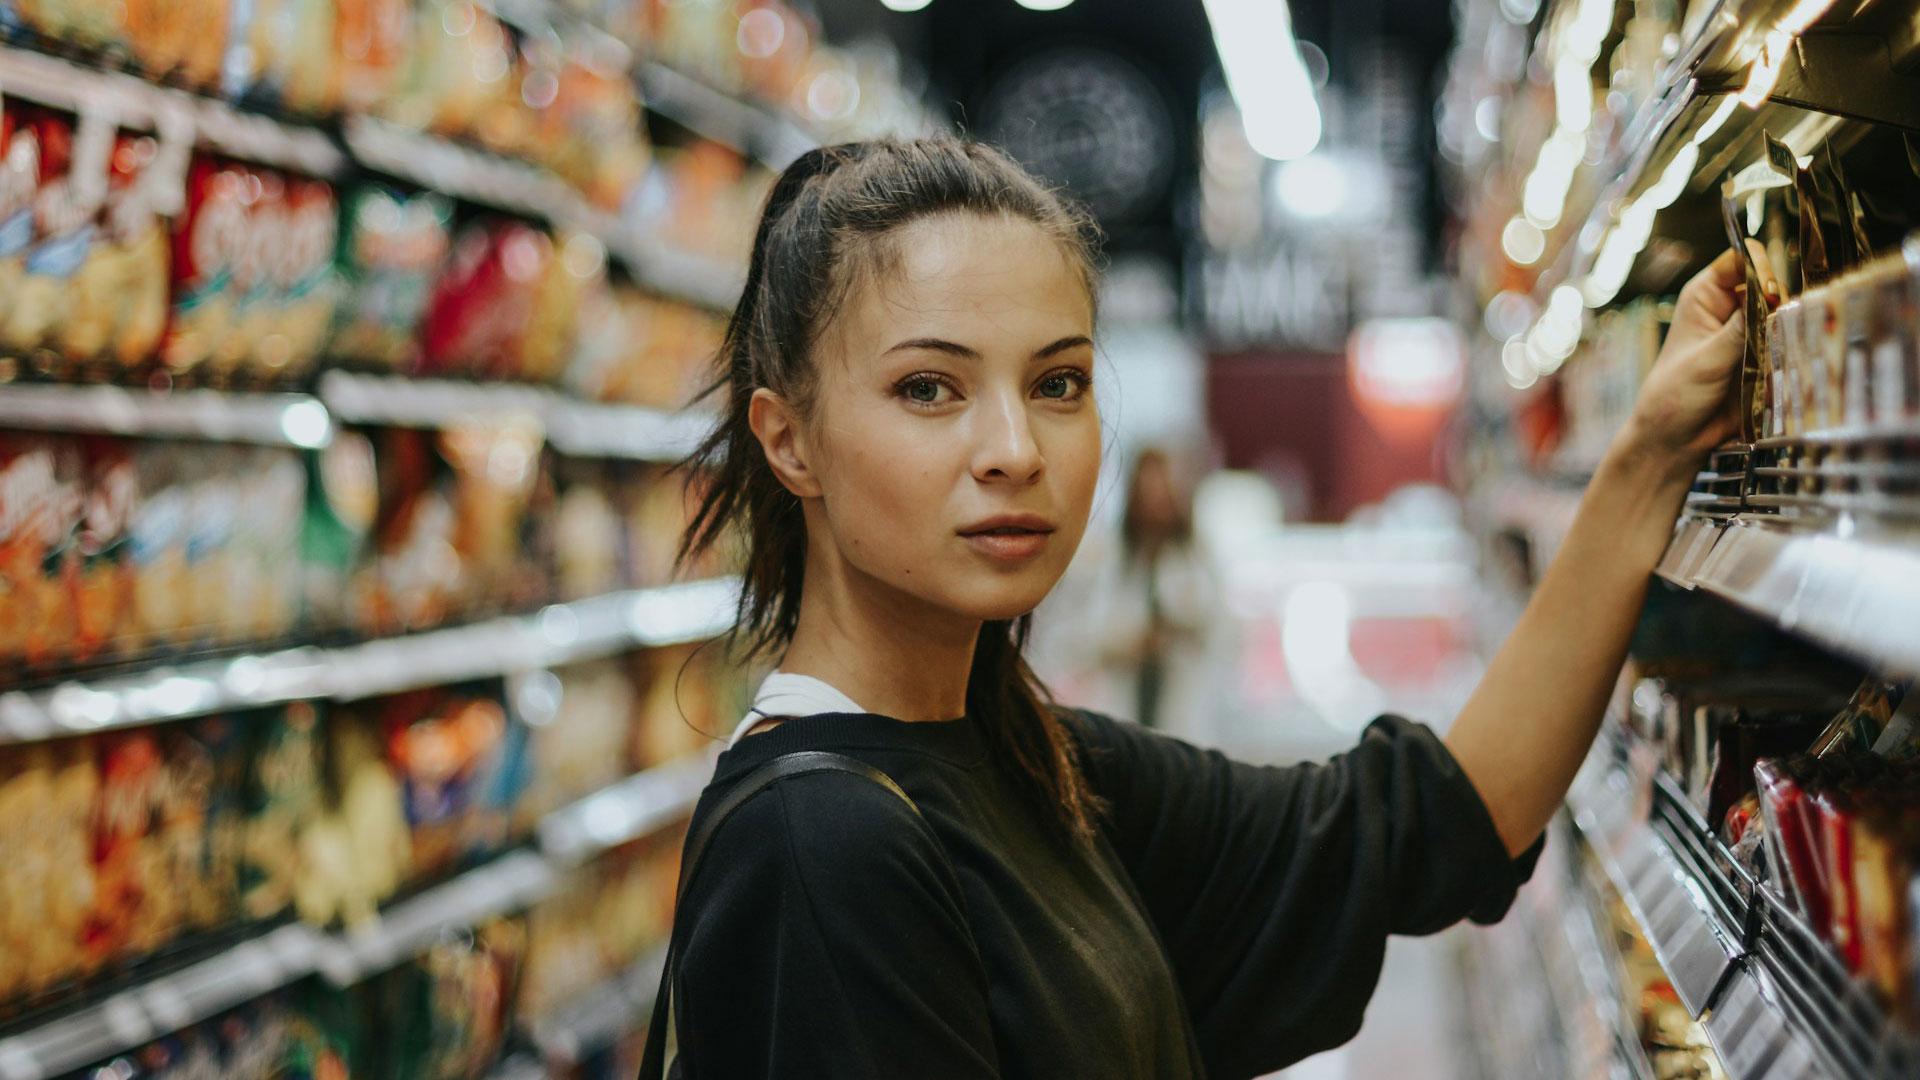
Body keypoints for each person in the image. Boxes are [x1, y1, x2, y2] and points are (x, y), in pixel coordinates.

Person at [665, 136, 1759, 1079]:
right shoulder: (821, 848)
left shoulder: (1032, 764)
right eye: (928, 389)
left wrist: (1652, 455)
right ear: (788, 438)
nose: (1012, 451)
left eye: (1058, 384)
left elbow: (1429, 824)